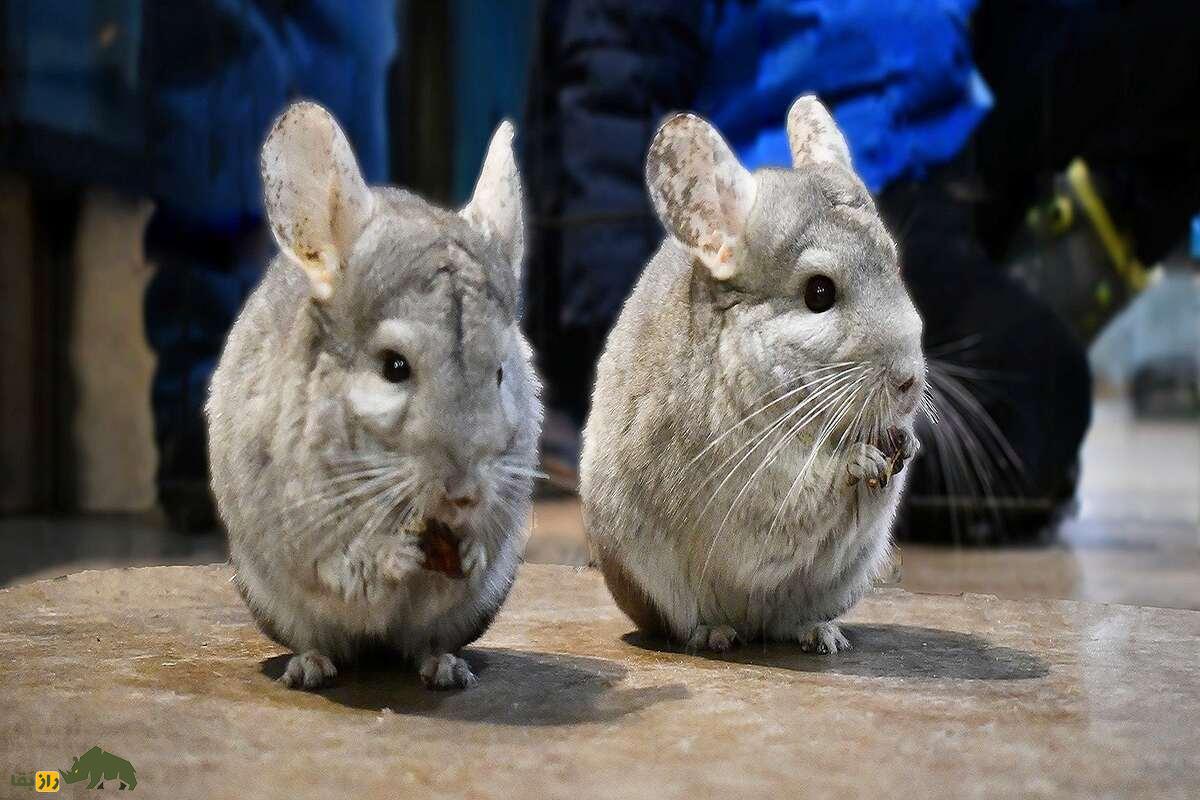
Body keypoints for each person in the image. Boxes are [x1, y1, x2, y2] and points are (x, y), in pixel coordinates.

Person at [521, 0, 1200, 541]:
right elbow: (615, 78)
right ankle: (750, 481)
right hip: (768, 215)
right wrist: (607, 339)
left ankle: (834, 471)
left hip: (922, 184)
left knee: (1039, 395)